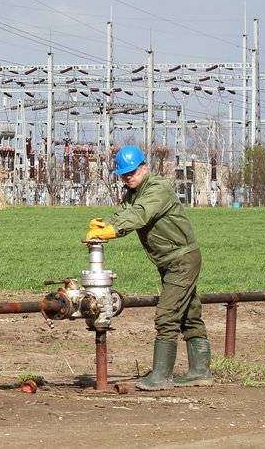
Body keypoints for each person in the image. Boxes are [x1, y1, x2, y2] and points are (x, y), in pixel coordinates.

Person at [85, 144, 211, 390]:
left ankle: (161, 376)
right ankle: (200, 371)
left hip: (181, 259)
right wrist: (104, 224)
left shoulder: (156, 189)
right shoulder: (133, 193)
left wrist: (113, 231)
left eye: (132, 171)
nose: (128, 176)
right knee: (188, 314)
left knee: (167, 315)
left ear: (144, 167)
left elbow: (140, 215)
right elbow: (124, 212)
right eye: (124, 173)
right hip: (170, 260)